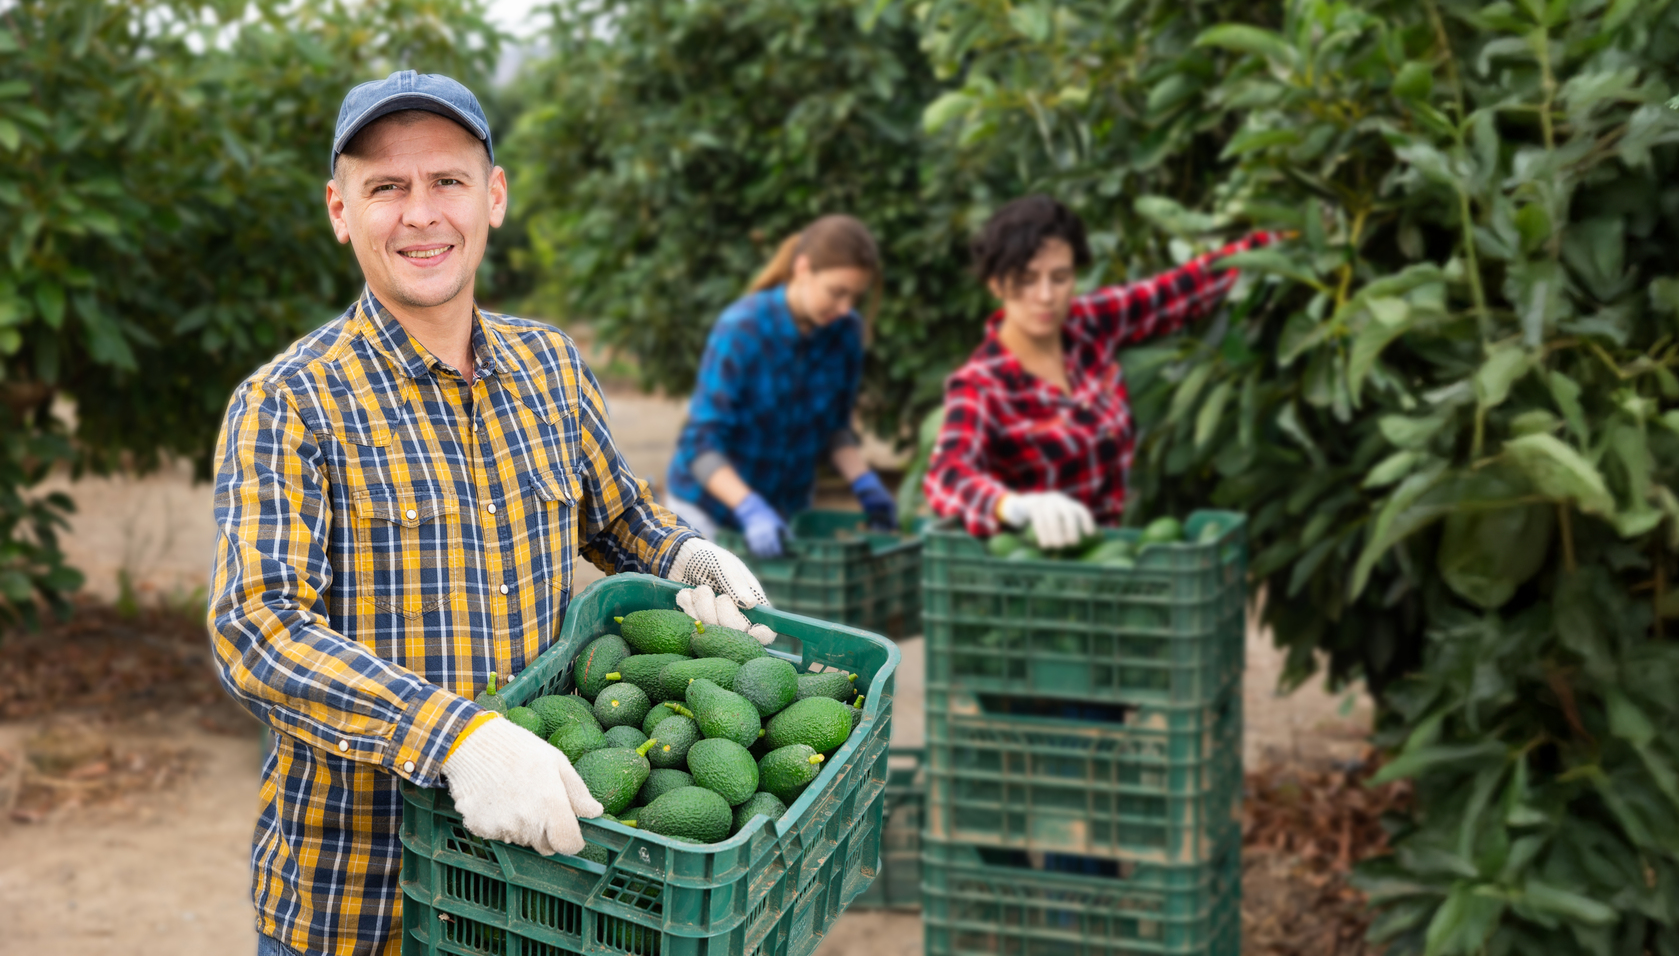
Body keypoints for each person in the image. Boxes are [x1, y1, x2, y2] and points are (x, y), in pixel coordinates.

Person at [206, 71, 772, 956]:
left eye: (448, 181)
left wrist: (687, 558)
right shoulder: (288, 402)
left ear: (493, 197)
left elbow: (619, 517)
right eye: (385, 188)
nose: (420, 214)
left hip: (542, 895)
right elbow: (257, 628)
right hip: (366, 903)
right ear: (340, 211)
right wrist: (455, 738)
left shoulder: (549, 364)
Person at [923, 194, 1278, 546]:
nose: (1045, 296)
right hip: (1036, 569)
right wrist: (1014, 506)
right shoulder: (981, 384)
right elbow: (946, 475)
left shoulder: (1088, 323)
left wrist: (1276, 243)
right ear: (996, 283)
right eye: (1026, 280)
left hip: (1110, 554)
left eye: (1060, 277)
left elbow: (1179, 290)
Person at [664, 215, 897, 558]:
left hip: (784, 516)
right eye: (837, 293)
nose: (845, 308)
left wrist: (864, 483)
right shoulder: (741, 330)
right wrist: (749, 506)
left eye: (855, 298)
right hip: (709, 513)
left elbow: (834, 428)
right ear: (803, 269)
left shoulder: (846, 333)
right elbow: (700, 444)